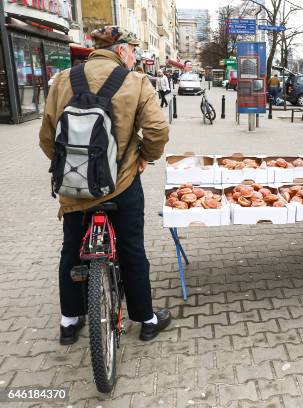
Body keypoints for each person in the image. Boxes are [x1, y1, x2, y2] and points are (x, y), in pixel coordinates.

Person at [39, 26, 171, 345]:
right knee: (131, 250)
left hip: (74, 188)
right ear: (122, 50)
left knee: (71, 250)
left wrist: (73, 168)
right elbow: (157, 130)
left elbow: (47, 137)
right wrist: (143, 157)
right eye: (133, 50)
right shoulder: (136, 81)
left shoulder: (63, 80)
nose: (136, 55)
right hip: (122, 184)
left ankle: (69, 322)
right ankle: (146, 319)